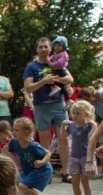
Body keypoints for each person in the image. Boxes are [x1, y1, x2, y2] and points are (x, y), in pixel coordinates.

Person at [23, 37, 72, 183]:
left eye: (46, 47)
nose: (44, 49)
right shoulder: (32, 67)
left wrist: (56, 79)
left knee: (63, 137)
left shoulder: (57, 62)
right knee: (44, 139)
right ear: (37, 49)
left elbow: (70, 79)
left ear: (50, 48)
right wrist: (44, 81)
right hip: (41, 105)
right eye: (41, 47)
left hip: (58, 104)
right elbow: (28, 88)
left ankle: (66, 172)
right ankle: (47, 171)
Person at [6, 117, 53, 195]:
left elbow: (48, 153)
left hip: (41, 169)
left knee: (22, 185)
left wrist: (42, 162)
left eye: (17, 130)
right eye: (13, 129)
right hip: (28, 169)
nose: (14, 132)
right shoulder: (13, 142)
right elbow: (8, 152)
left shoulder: (33, 146)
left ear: (26, 132)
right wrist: (5, 151)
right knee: (14, 183)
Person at [61, 101, 98, 195]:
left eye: (78, 113)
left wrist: (94, 127)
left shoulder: (88, 126)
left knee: (85, 181)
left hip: (85, 157)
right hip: (74, 157)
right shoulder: (72, 125)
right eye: (73, 113)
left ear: (86, 114)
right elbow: (63, 136)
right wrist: (63, 125)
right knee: (75, 181)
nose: (74, 115)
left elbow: (91, 138)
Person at [47, 36, 71, 100]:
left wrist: (51, 64)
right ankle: (68, 99)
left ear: (64, 46)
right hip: (57, 69)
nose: (57, 47)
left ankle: (55, 86)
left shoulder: (63, 54)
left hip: (60, 70)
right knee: (62, 86)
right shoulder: (56, 53)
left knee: (50, 76)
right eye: (55, 45)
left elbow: (60, 63)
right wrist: (48, 59)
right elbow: (52, 57)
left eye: (59, 45)